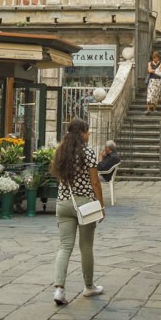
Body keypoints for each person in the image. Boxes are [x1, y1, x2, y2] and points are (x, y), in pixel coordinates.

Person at [50, 118, 105, 306]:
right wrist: (101, 205)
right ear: (81, 133)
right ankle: (89, 286)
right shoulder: (88, 153)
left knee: (65, 246)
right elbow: (95, 182)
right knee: (86, 246)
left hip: (64, 202)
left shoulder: (60, 151)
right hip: (84, 204)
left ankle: (59, 289)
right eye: (87, 131)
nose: (89, 134)